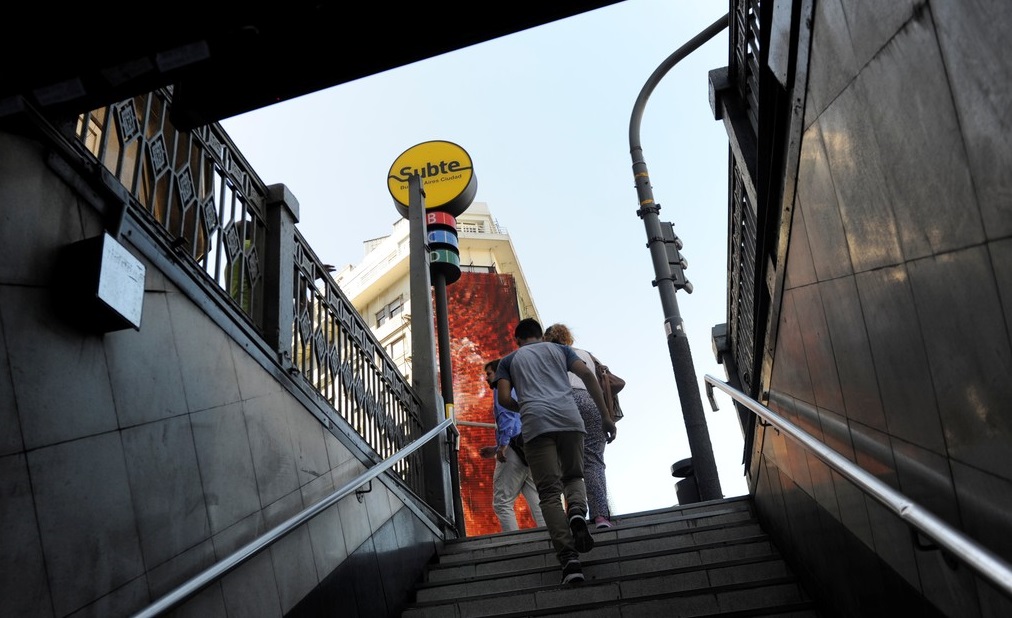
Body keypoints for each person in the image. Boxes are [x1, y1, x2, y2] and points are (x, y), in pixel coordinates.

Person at [493, 318, 616, 585]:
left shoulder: (509, 360)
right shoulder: (560, 350)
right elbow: (587, 375)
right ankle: (576, 512)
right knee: (574, 477)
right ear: (540, 335)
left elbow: (503, 398)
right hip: (570, 421)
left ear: (518, 340)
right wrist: (605, 416)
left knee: (548, 494)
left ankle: (570, 561)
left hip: (536, 426)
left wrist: (524, 406)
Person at [543, 323, 617, 529]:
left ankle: (574, 511)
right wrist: (606, 416)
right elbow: (597, 381)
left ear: (546, 338)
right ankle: (601, 515)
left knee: (566, 463)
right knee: (593, 461)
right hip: (591, 401)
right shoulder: (587, 355)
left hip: (562, 402)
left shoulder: (547, 353)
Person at [479, 358, 546, 532]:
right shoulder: (520, 388)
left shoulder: (501, 389)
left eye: (489, 374)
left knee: (502, 502)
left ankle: (515, 542)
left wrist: (501, 446)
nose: (486, 378)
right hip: (529, 447)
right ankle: (550, 535)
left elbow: (507, 417)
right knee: (536, 499)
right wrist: (495, 448)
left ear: (499, 372)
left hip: (513, 448)